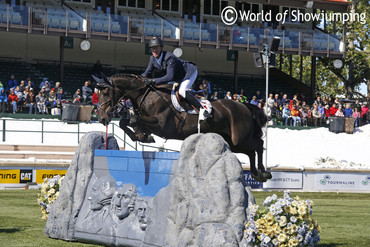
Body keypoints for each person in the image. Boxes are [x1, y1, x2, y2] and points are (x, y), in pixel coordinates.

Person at [142, 37, 208, 117]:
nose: (154, 50)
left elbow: (169, 77)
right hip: (177, 77)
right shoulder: (152, 59)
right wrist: (137, 78)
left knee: (182, 91)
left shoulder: (169, 57)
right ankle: (195, 93)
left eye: (156, 47)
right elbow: (146, 73)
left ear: (161, 48)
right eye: (152, 48)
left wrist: (153, 81)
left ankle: (202, 109)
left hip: (188, 72)